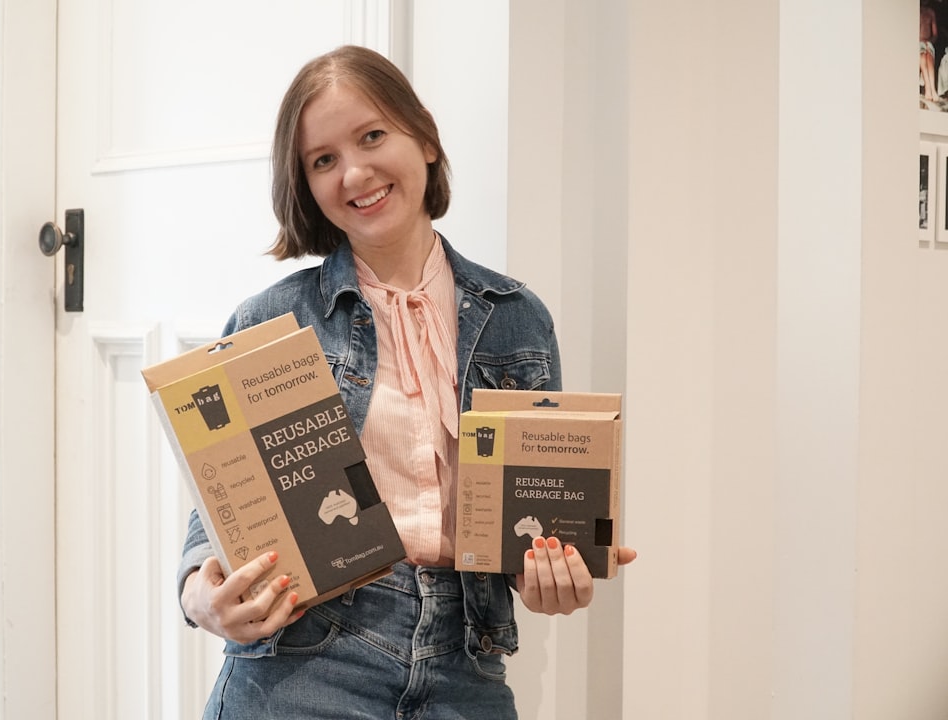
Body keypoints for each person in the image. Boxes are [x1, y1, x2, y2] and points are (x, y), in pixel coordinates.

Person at [177, 45, 636, 719]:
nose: (355, 173)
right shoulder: (272, 319)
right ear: (303, 183)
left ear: (422, 133)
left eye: (371, 136)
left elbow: (522, 529)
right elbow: (212, 517)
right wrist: (203, 600)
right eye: (323, 160)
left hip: (466, 663)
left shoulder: (518, 319)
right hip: (306, 660)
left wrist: (549, 576)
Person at [922, 0, 939, 101]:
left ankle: (933, 89)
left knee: (928, 55)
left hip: (928, 42)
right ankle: (928, 88)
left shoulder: (930, 12)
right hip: (917, 42)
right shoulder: (915, 11)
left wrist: (929, 42)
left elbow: (935, 34)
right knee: (922, 54)